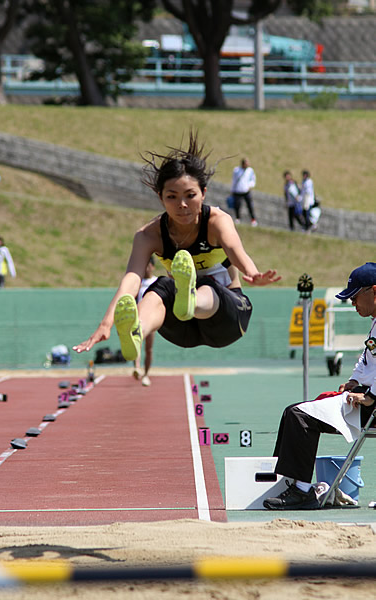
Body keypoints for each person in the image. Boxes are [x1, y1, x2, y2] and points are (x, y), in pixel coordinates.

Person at [74, 131, 280, 368]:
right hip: (182, 329)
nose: (182, 205)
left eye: (190, 195)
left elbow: (236, 252)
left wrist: (253, 274)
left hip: (228, 318)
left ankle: (191, 298)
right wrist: (106, 323)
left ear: (203, 193)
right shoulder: (149, 235)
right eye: (172, 196)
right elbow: (130, 281)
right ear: (160, 197)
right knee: (161, 285)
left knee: (208, 286)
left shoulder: (216, 221)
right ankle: (136, 331)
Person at [263, 262, 376, 511]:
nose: (353, 303)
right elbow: (368, 357)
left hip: (371, 405)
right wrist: (355, 381)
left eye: (356, 297)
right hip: (365, 400)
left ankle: (302, 491)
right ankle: (292, 485)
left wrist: (371, 398)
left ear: (374, 291)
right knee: (293, 411)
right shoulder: (375, 321)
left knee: (298, 415)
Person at [132, 256, 158, 387]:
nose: (146, 268)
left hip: (152, 319)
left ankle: (146, 375)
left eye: (149, 265)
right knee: (136, 344)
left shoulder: (157, 282)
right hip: (138, 319)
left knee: (149, 349)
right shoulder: (139, 282)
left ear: (153, 267)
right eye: (145, 265)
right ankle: (137, 367)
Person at [230, 157, 257, 226]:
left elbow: (253, 180)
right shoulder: (236, 170)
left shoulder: (250, 171)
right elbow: (234, 180)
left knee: (250, 205)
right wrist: (232, 189)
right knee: (237, 205)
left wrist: (249, 186)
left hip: (246, 191)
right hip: (238, 191)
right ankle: (237, 218)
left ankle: (253, 219)